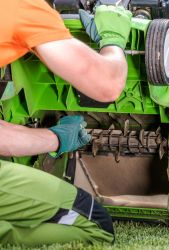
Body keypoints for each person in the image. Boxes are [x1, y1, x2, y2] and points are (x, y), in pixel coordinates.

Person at [0, 0, 132, 246]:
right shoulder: (22, 5)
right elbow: (107, 84)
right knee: (96, 224)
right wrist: (113, 38)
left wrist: (57, 137)